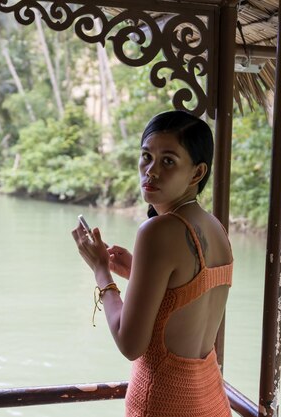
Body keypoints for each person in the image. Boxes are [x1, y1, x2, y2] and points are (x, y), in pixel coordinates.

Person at [71, 110, 233, 416]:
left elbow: (130, 343)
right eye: (146, 156)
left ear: (197, 173)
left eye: (168, 161)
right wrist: (138, 273)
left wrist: (101, 270)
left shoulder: (157, 231)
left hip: (164, 402)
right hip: (210, 399)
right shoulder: (215, 228)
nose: (151, 171)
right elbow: (187, 298)